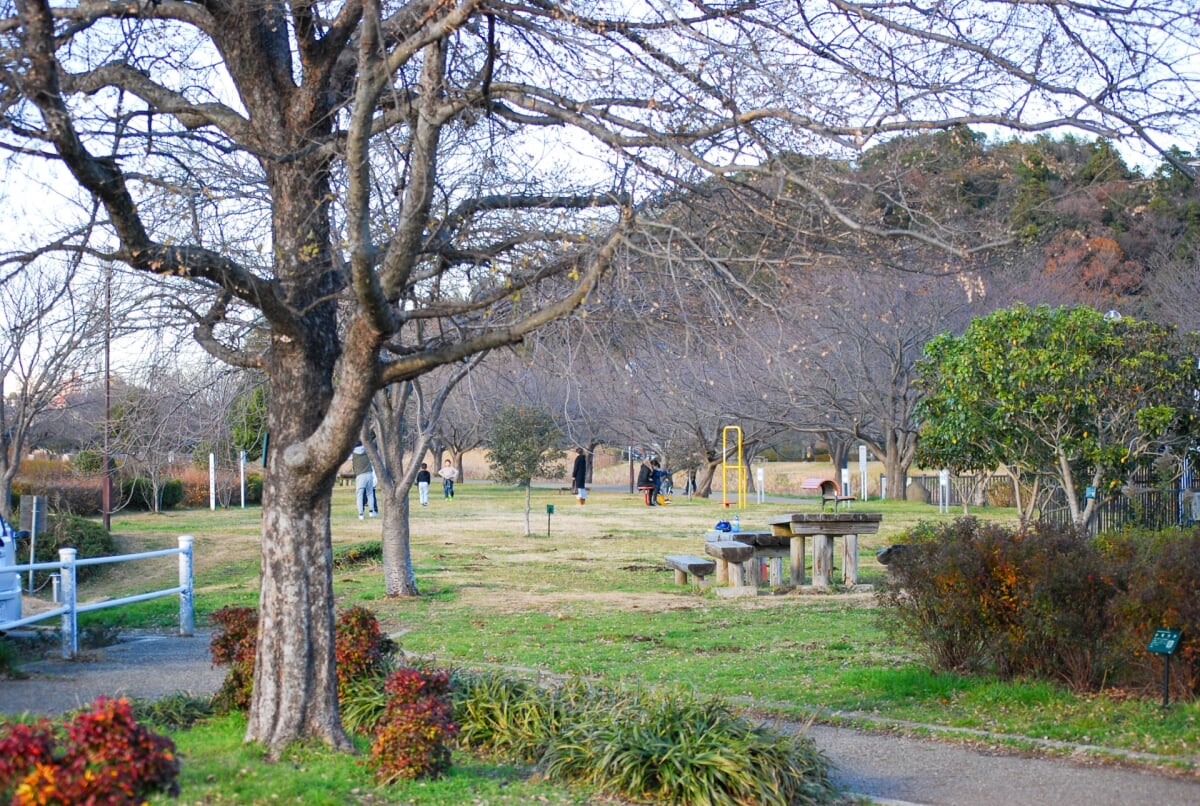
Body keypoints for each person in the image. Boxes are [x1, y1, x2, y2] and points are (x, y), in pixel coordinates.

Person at [351, 444, 378, 519]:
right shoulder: (367, 450)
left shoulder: (353, 453)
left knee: (359, 495)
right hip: (369, 474)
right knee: (370, 494)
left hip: (360, 475)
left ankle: (361, 514)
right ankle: (371, 512)